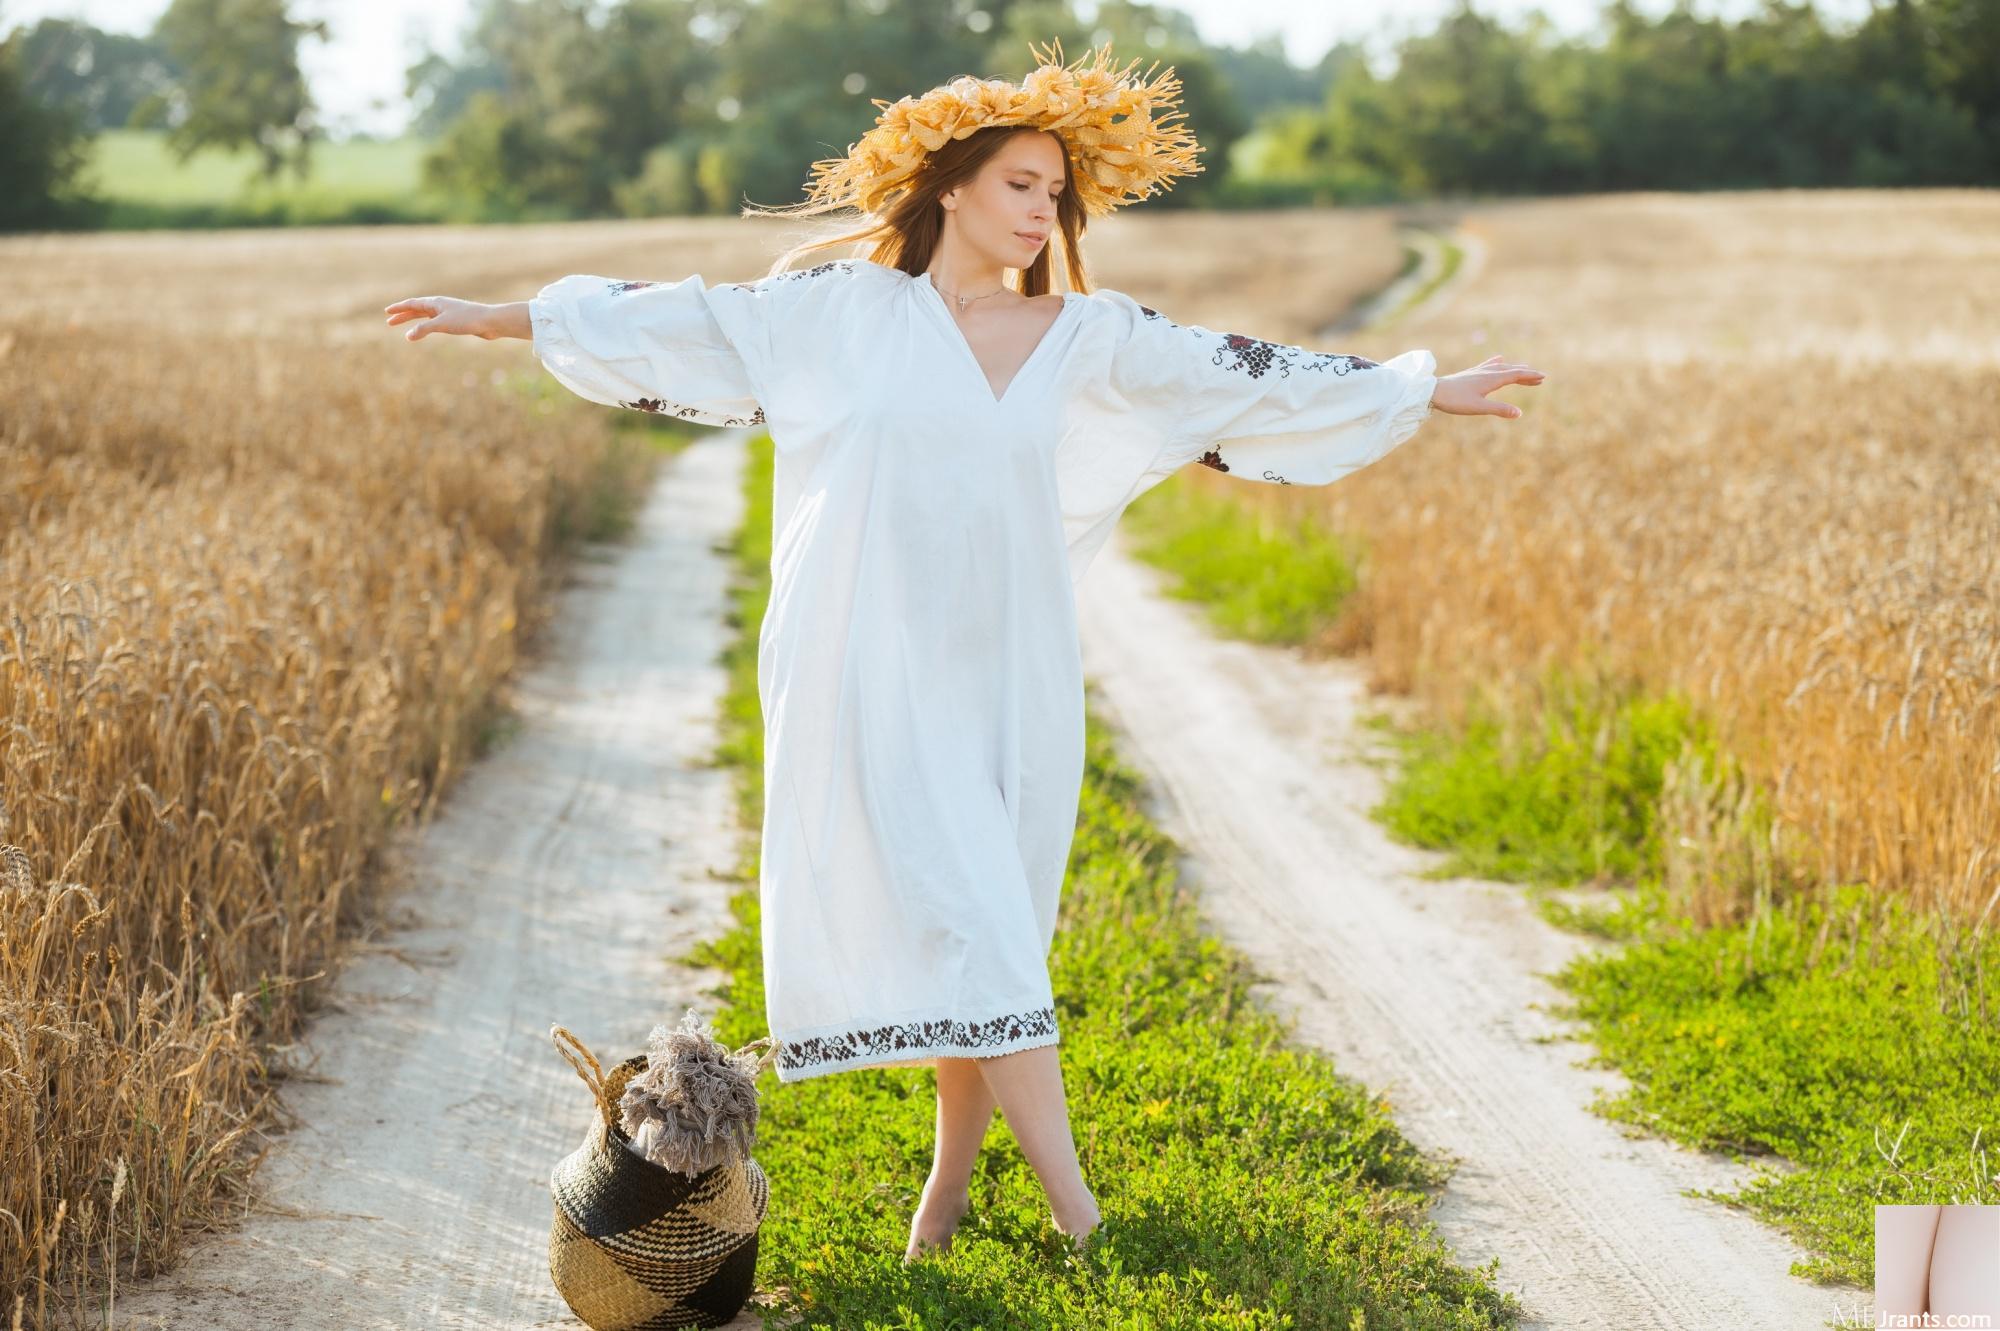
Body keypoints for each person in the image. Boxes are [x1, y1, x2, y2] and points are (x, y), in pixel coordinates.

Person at [384, 39, 1545, 1265]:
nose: (1043, 209)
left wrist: (1419, 389)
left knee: (984, 934)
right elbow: (686, 320)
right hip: (865, 665)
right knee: (978, 926)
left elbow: (1242, 375)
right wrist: (499, 319)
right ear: (950, 189)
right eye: (1018, 185)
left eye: (1054, 191)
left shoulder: (1089, 338)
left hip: (1010, 673)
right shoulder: (839, 314)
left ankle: (942, 1195)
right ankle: (1082, 1218)